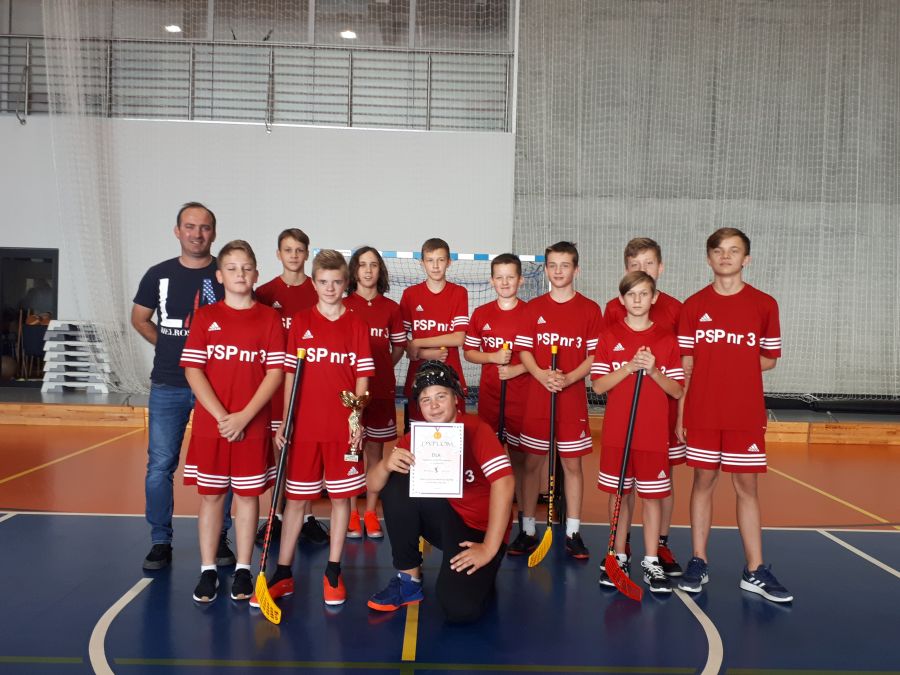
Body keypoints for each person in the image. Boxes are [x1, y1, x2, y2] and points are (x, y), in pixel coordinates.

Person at [251, 249, 374, 607]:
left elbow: (362, 378)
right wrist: (285, 420)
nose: (330, 288)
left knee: (340, 498)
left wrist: (357, 419)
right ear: (315, 283)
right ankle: (283, 573)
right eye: (323, 282)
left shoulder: (356, 325)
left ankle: (333, 571)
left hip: (341, 429)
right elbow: (290, 375)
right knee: (296, 500)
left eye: (336, 282)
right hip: (304, 427)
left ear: (345, 283)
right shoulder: (301, 322)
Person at [676, 228, 792, 603]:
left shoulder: (764, 304)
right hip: (703, 411)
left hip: (744, 412)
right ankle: (698, 560)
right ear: (708, 258)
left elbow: (769, 359)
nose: (725, 256)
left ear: (746, 259)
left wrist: (733, 365)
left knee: (747, 487)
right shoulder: (693, 306)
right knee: (703, 482)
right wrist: (681, 414)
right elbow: (687, 366)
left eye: (734, 250)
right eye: (718, 250)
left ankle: (754, 569)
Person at [367, 360, 514, 623]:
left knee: (460, 610)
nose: (433, 405)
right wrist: (386, 463)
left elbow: (505, 483)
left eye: (441, 396)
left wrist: (489, 548)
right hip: (446, 520)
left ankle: (486, 568)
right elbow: (373, 485)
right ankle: (408, 580)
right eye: (426, 400)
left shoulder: (476, 430)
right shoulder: (418, 437)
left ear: (456, 399)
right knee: (396, 481)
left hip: (479, 530)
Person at [131, 202, 235, 571]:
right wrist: (169, 346)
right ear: (177, 231)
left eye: (204, 227)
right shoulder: (158, 275)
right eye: (190, 226)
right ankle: (160, 540)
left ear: (214, 233)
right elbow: (140, 318)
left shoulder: (225, 275)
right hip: (169, 384)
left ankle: (219, 536)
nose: (197, 233)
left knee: (221, 465)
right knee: (160, 466)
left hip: (216, 388)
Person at [179, 240, 285, 602]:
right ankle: (208, 569)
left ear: (256, 274)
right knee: (211, 497)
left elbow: (274, 374)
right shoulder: (206, 317)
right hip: (213, 425)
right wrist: (223, 416)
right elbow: (193, 370)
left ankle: (243, 568)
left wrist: (244, 416)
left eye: (247, 268)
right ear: (220, 276)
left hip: (251, 425)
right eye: (233, 268)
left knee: (247, 496)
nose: (240, 274)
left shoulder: (269, 318)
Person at [591, 271, 684, 593]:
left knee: (652, 498)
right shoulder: (609, 336)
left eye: (644, 294)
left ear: (654, 297)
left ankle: (651, 559)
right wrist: (629, 367)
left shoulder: (666, 339)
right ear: (622, 300)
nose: (638, 300)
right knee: (620, 493)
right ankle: (618, 556)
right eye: (631, 294)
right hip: (619, 433)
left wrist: (653, 370)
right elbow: (598, 385)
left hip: (652, 434)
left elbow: (676, 390)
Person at [515, 242, 603, 559]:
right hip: (538, 396)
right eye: (552, 265)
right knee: (531, 464)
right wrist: (541, 374)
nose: (558, 271)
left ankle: (573, 532)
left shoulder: (590, 309)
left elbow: (594, 356)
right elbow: (524, 351)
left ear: (576, 270)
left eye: (565, 265)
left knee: (572, 465)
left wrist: (568, 378)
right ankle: (527, 530)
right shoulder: (532, 308)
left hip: (571, 398)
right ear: (546, 269)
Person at [253, 228, 329, 547]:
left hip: (311, 386)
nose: (294, 255)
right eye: (288, 249)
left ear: (307, 254)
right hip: (275, 385)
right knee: (278, 453)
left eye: (299, 250)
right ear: (278, 254)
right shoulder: (265, 293)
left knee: (304, 454)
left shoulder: (319, 290)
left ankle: (307, 517)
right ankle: (277, 515)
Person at [463, 253, 530, 547]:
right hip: (490, 399)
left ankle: (525, 525)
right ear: (492, 281)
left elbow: (540, 358)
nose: (504, 282)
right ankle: (485, 520)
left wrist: (516, 368)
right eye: (499, 277)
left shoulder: (530, 314)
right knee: (487, 461)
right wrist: (492, 357)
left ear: (520, 280)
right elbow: (469, 352)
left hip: (521, 400)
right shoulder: (481, 314)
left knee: (520, 462)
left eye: (510, 277)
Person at [344, 247, 407, 539]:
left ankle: (370, 512)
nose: (368, 270)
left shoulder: (391, 308)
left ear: (380, 270)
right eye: (362, 265)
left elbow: (399, 347)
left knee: (374, 453)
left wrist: (378, 369)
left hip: (380, 392)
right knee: (351, 451)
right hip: (350, 393)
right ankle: (351, 513)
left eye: (373, 265)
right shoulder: (343, 305)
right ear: (354, 270)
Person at [399, 238, 469, 425]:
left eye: (441, 260)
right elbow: (401, 339)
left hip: (450, 374)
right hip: (418, 376)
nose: (436, 266)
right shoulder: (410, 294)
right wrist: (425, 353)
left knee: (453, 435)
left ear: (449, 262)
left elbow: (458, 338)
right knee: (418, 435)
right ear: (422, 263)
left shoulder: (459, 293)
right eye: (430, 260)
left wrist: (418, 343)